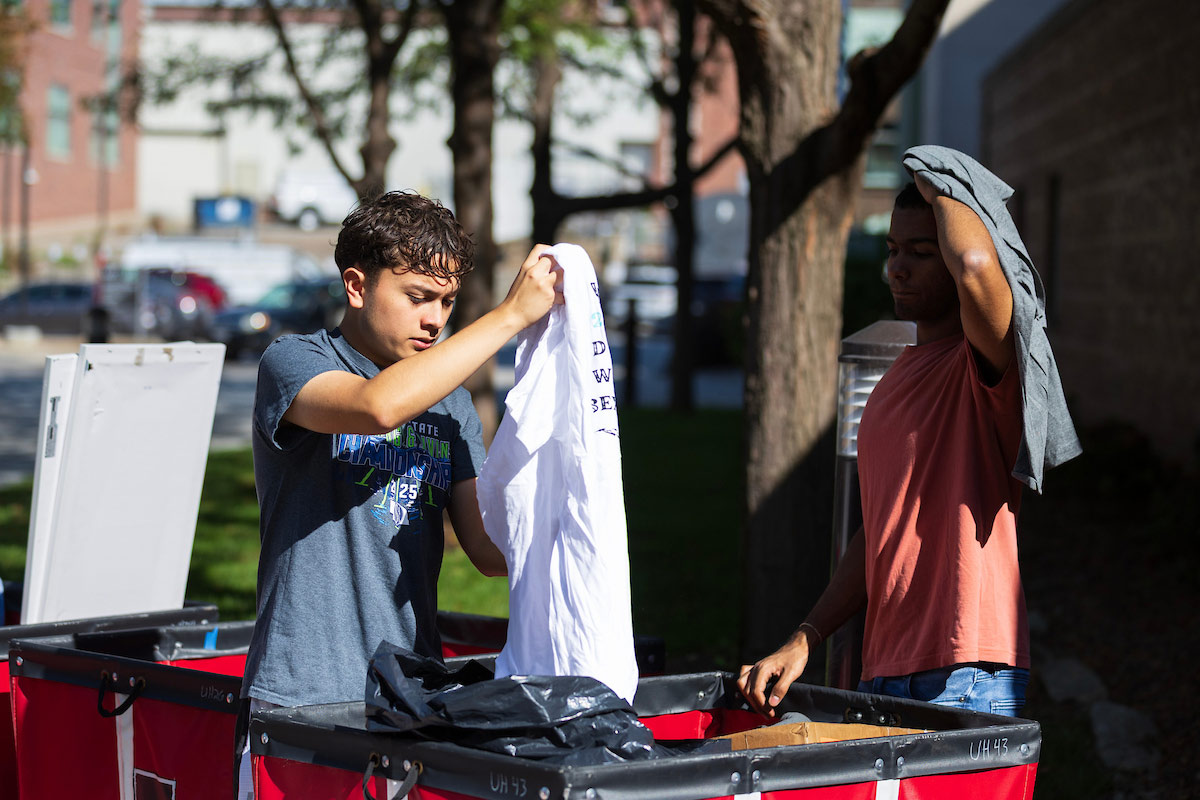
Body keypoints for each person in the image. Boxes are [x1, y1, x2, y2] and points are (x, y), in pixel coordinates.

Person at [739, 162, 1072, 718]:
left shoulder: (983, 367)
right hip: (885, 672)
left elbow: (973, 263)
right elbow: (880, 534)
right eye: (893, 249)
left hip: (966, 674)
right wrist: (805, 637)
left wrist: (938, 177)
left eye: (920, 252)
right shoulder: (894, 382)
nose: (897, 268)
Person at [240, 191, 561, 711]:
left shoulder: (450, 404)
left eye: (447, 301)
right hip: (300, 697)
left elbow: (486, 550)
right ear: (356, 286)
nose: (435, 319)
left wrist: (573, 527)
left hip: (410, 700)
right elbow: (377, 408)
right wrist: (508, 317)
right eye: (417, 298)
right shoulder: (293, 361)